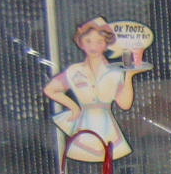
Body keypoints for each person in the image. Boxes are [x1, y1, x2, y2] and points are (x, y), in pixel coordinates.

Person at [45, 17, 149, 162]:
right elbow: (50, 89)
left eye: (99, 42)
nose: (93, 46)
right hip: (84, 132)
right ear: (81, 43)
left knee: (109, 164)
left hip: (108, 131)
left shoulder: (115, 72)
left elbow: (125, 104)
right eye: (88, 41)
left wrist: (129, 76)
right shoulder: (74, 71)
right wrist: (74, 107)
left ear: (106, 45)